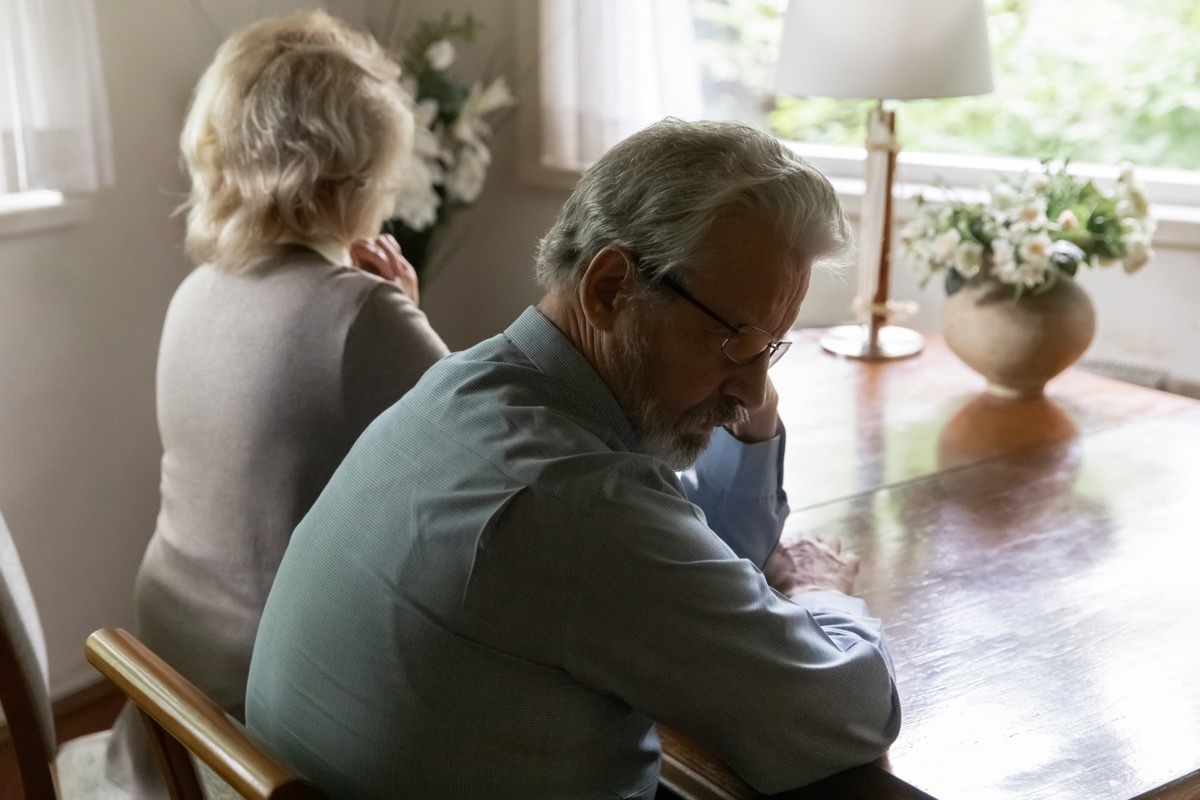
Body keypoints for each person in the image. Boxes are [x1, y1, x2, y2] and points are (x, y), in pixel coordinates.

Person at [246, 118, 901, 799]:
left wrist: (743, 377)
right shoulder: (577, 504)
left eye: (770, 348)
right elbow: (845, 721)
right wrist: (822, 591)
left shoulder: (461, 388)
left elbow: (692, 563)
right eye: (734, 341)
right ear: (610, 288)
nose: (750, 386)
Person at [105, 10, 449, 797]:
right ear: (350, 176)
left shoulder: (197, 292)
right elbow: (501, 456)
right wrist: (408, 314)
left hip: (166, 695)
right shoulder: (360, 314)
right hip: (262, 741)